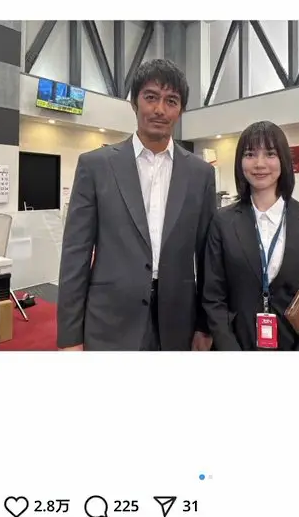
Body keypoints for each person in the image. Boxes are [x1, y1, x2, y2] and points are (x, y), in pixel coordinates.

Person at [57, 59, 217, 351]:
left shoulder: (201, 174)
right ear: (134, 102)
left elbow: (207, 257)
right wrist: (70, 336)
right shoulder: (95, 166)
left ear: (181, 110)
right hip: (110, 321)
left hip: (178, 323)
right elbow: (75, 255)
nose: (160, 109)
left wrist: (204, 325)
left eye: (171, 101)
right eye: (151, 97)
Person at [202, 120, 299, 351]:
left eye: (270, 154)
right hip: (239, 346)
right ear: (240, 162)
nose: (259, 164)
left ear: (283, 161)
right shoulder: (222, 222)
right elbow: (213, 297)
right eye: (250, 154)